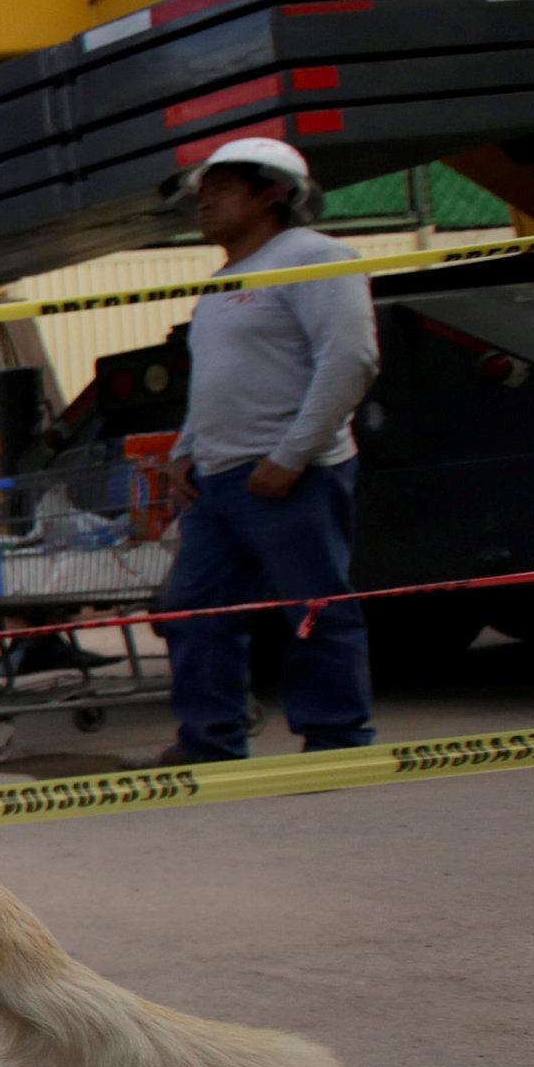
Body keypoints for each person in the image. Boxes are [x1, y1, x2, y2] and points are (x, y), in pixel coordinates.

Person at [146, 135, 377, 763]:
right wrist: (186, 450)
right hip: (220, 482)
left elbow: (349, 361)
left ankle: (337, 741)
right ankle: (209, 743)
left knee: (314, 611)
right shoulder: (224, 280)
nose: (205, 204)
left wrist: (291, 456)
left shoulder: (316, 258)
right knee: (194, 613)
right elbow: (215, 375)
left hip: (290, 478)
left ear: (272, 193)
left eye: (221, 190)